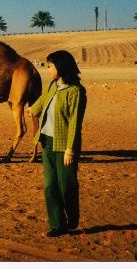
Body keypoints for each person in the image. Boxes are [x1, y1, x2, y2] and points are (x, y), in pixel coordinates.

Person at [27, 50, 87, 237]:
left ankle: (72, 217)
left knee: (66, 185)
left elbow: (75, 122)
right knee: (49, 186)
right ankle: (57, 224)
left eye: (50, 65)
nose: (48, 69)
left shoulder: (76, 91)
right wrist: (32, 109)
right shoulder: (53, 85)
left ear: (61, 67)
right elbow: (43, 101)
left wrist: (70, 149)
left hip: (64, 145)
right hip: (47, 141)